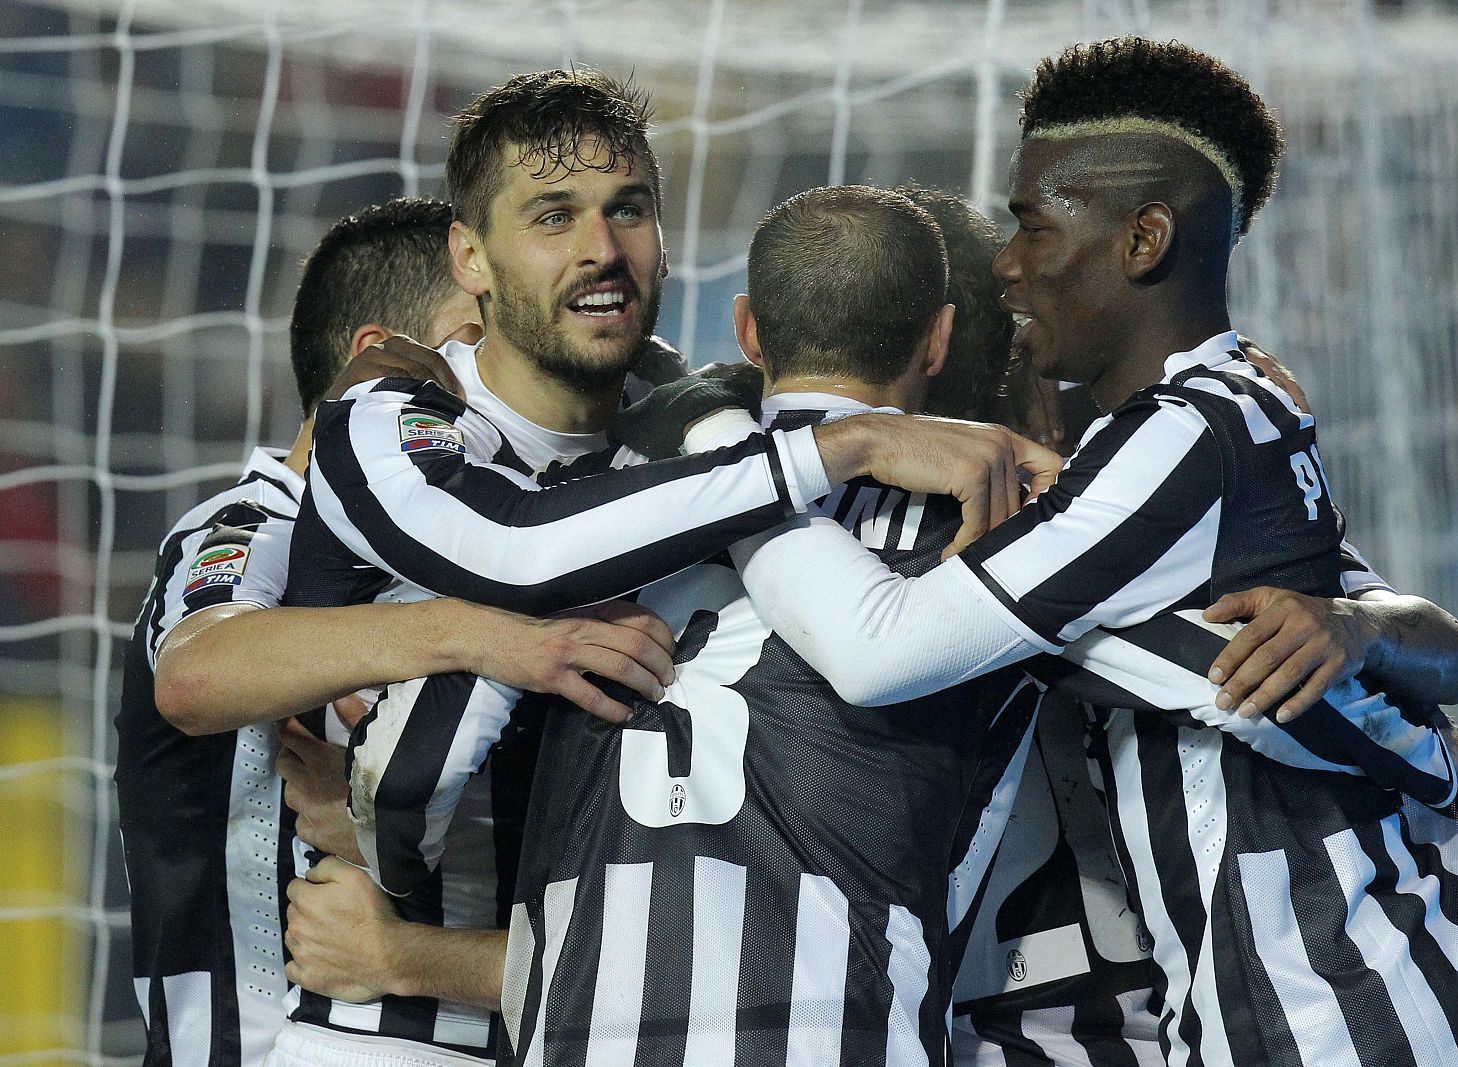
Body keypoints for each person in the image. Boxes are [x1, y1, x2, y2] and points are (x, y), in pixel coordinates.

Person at [723, 39, 1458, 1066]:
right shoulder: (1231, 406)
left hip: (1344, 1009)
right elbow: (1451, 655)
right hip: (1307, 999)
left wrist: (736, 470)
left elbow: (882, 648)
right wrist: (1362, 629)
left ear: (1143, 238)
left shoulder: (1186, 438)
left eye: (1031, 227)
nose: (1010, 267)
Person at [270, 70, 1055, 1067]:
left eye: (628, 209)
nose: (600, 249)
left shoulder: (684, 423)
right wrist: (840, 444)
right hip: (382, 1024)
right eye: (553, 217)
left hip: (557, 1002)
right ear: (468, 255)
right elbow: (517, 549)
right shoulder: (388, 422)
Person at [116, 197, 676, 1067]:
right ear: (376, 358)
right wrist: (464, 632)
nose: (502, 376)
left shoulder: (511, 550)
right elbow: (194, 674)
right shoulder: (253, 523)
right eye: (474, 339)